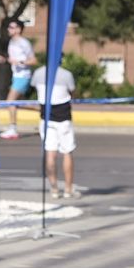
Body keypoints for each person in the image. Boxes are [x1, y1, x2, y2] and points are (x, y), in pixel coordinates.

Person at [31, 62, 79, 198]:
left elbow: (34, 87)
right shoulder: (66, 74)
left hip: (46, 118)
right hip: (63, 118)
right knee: (67, 152)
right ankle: (68, 189)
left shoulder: (39, 73)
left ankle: (54, 189)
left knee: (50, 153)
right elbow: (73, 91)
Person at [0, 19, 35, 139]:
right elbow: (13, 59)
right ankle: (46, 113)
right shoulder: (11, 42)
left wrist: (20, 62)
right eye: (9, 27)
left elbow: (33, 60)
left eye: (12, 27)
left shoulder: (24, 43)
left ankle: (12, 129)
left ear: (19, 29)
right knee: (16, 103)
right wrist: (5, 60)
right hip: (16, 76)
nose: (9, 29)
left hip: (23, 76)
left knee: (10, 101)